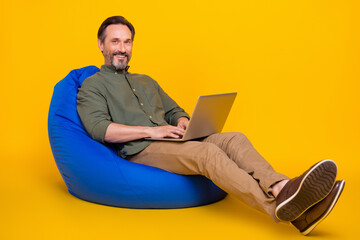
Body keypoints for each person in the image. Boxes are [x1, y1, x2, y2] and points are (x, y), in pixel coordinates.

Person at [76, 16, 345, 235]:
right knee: (208, 154)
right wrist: (152, 131)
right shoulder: (92, 86)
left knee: (233, 139)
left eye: (127, 41)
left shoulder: (147, 81)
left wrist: (184, 123)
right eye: (115, 42)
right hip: (142, 148)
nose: (122, 48)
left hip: (173, 139)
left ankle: (282, 187)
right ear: (101, 45)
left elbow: (174, 111)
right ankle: (278, 208)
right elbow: (101, 129)